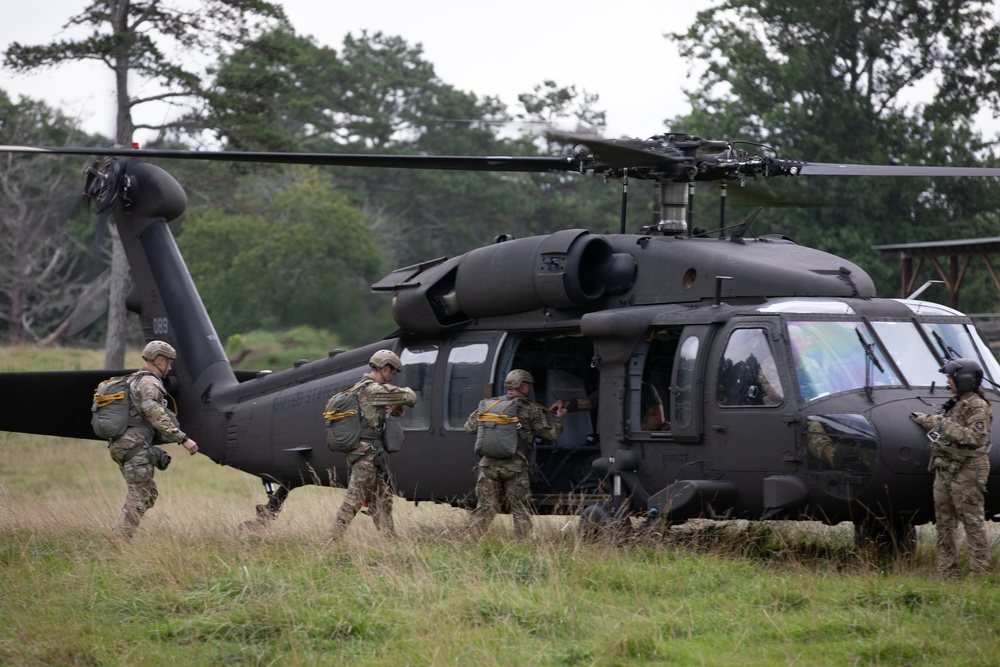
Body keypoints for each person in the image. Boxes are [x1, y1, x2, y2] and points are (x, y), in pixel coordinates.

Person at [109, 340, 199, 540]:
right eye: (168, 362)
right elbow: (154, 412)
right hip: (134, 446)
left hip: (124, 445)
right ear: (159, 360)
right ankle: (119, 541)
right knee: (140, 496)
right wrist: (182, 438)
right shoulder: (150, 383)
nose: (170, 367)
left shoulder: (134, 379)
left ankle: (120, 537)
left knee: (148, 494)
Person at [913, 358, 993, 575]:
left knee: (972, 521)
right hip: (945, 467)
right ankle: (945, 570)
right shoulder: (956, 403)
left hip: (967, 470)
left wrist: (940, 423)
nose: (948, 382)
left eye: (951, 378)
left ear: (964, 380)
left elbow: (974, 438)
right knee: (944, 523)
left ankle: (979, 571)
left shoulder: (978, 407)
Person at [465, 369, 566, 538]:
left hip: (487, 466)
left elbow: (469, 427)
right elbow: (551, 434)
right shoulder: (531, 409)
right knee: (520, 509)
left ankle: (471, 542)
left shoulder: (490, 404)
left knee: (484, 508)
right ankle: (523, 545)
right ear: (524, 386)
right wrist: (559, 418)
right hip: (515, 467)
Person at [329, 349, 416, 540]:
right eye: (393, 373)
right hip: (367, 456)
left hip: (370, 455)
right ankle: (331, 541)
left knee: (382, 500)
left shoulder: (361, 389)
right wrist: (401, 400)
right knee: (354, 500)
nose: (393, 378)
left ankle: (390, 540)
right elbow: (409, 396)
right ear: (385, 368)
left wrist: (394, 408)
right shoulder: (374, 390)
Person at [560, 382, 666, 430]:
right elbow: (588, 402)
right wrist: (564, 404)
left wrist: (635, 434)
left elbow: (656, 419)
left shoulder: (645, 389)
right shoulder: (610, 389)